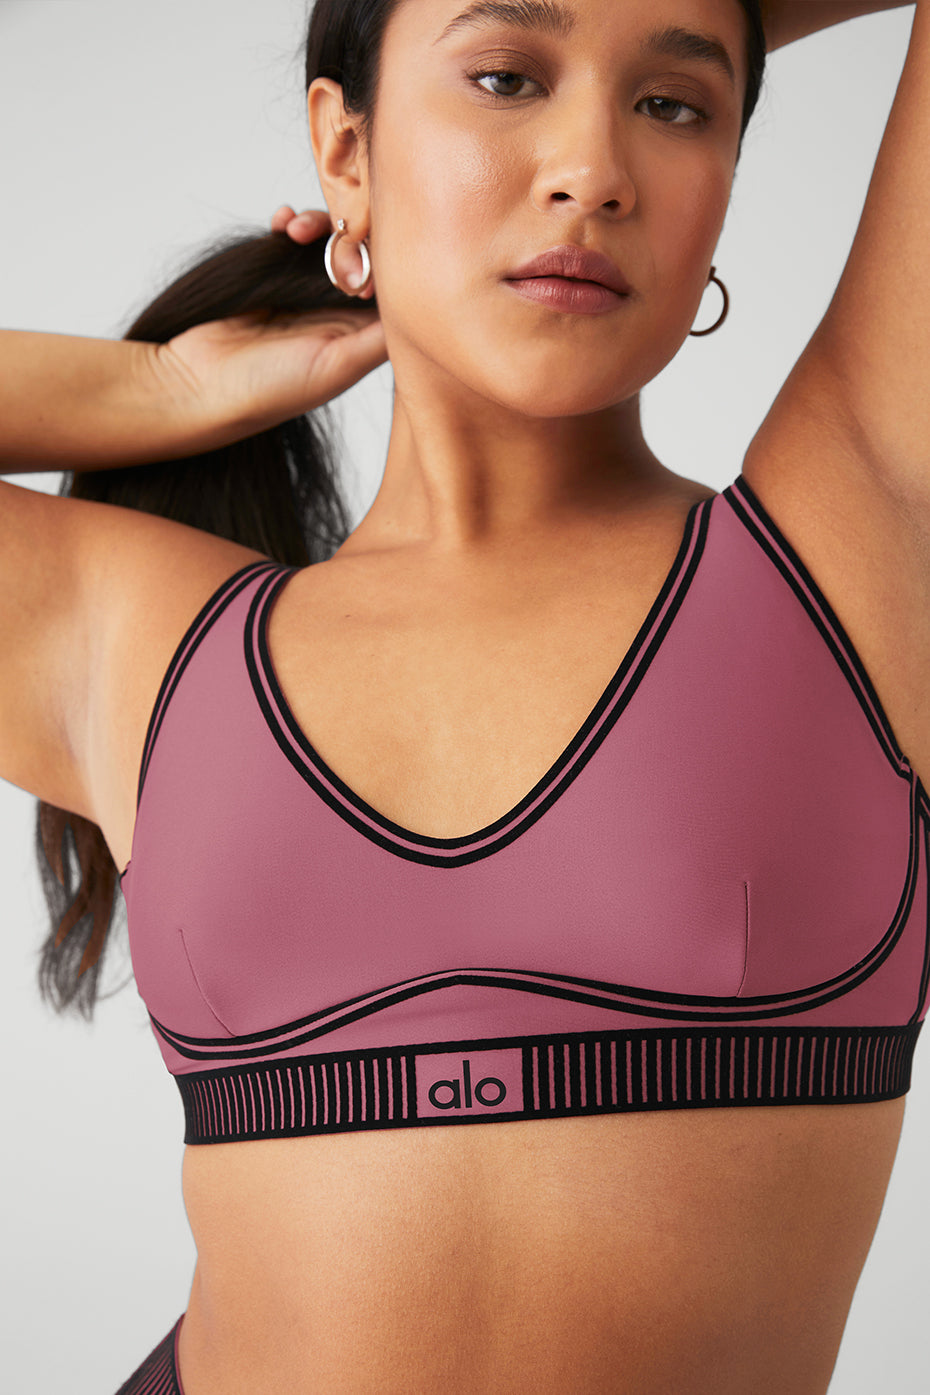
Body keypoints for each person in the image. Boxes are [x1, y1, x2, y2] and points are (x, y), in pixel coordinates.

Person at [0, 0, 926, 1390]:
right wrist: (151, 390)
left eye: (674, 105)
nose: (592, 170)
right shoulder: (145, 644)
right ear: (346, 151)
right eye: (504, 77)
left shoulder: (855, 553)